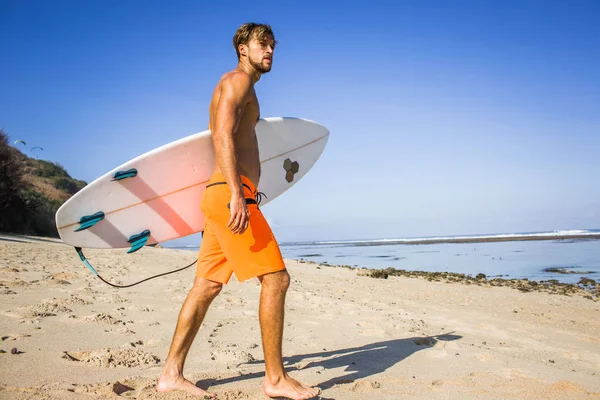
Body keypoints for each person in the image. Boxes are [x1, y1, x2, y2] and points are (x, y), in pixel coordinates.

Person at [156, 23, 322, 400]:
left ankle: (171, 373)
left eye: (273, 45)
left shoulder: (237, 86)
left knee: (207, 285)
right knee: (276, 280)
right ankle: (276, 379)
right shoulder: (237, 82)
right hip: (231, 195)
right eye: (262, 44)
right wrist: (236, 193)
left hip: (222, 196)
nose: (270, 51)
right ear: (242, 49)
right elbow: (221, 136)